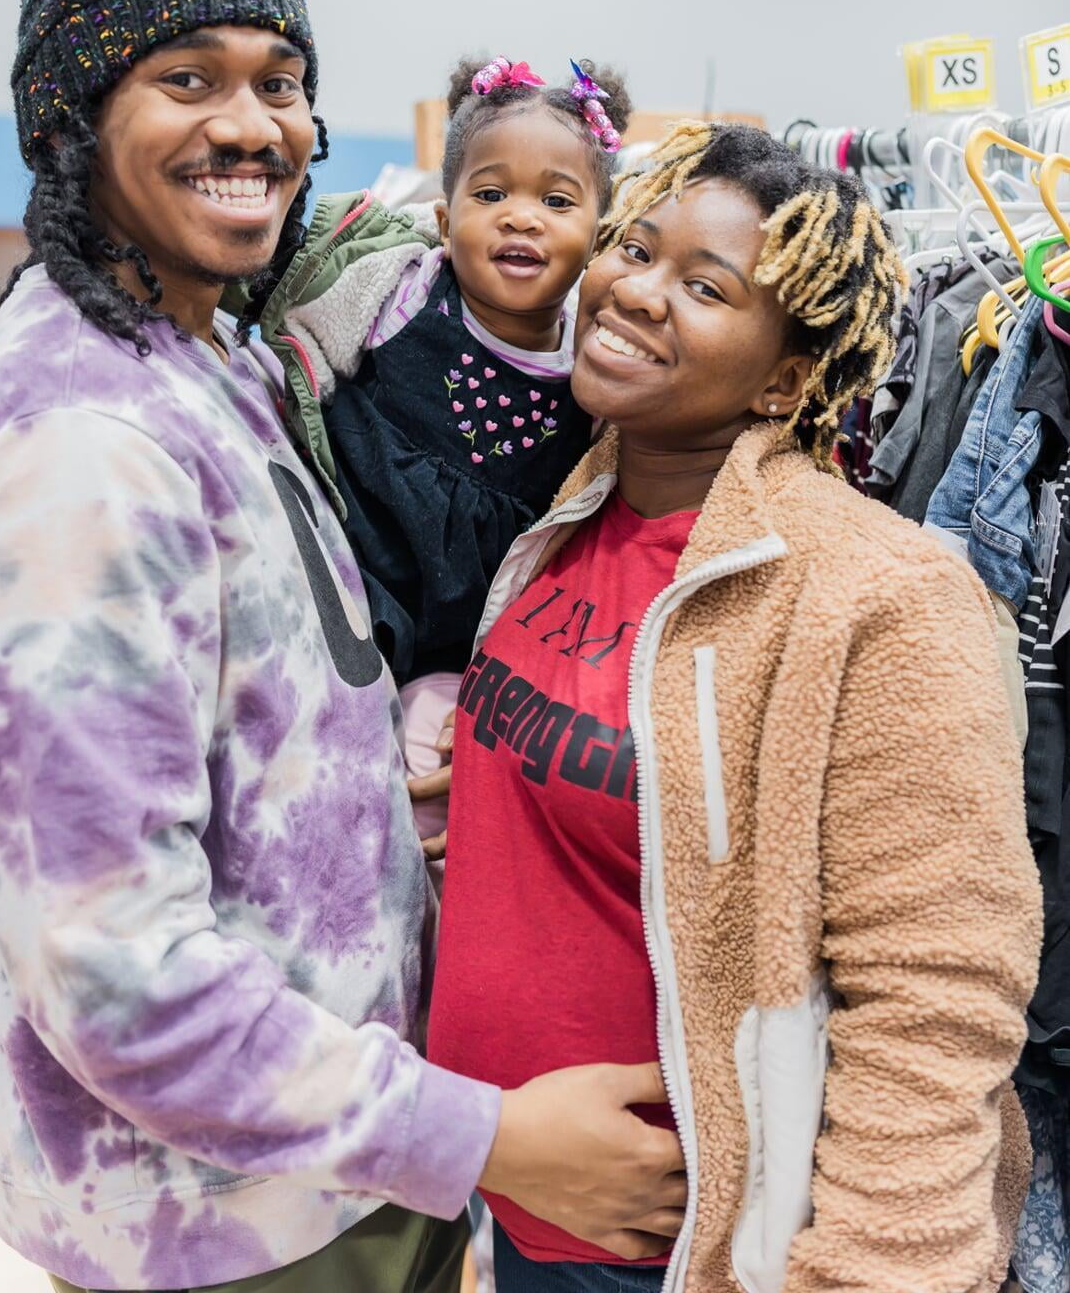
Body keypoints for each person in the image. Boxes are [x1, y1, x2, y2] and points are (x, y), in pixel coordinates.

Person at [0, 0, 685, 1293]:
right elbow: (116, 978)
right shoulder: (78, 451)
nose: (250, 124)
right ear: (70, 116)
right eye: (186, 78)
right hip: (216, 1225)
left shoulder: (211, 354)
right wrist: (488, 1136)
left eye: (279, 83)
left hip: (331, 1169)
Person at [427, 122, 1044, 1293]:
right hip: (522, 1211)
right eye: (637, 248)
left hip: (685, 1252)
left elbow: (936, 998)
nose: (635, 292)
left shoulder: (879, 595)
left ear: (788, 377)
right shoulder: (572, 503)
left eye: (705, 287)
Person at [249, 54, 630, 852]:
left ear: (600, 225)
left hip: (473, 639)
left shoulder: (596, 367)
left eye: (556, 201)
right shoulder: (395, 291)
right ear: (444, 208)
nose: (520, 217)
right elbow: (291, 336)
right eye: (489, 195)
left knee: (429, 801)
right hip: (354, 586)